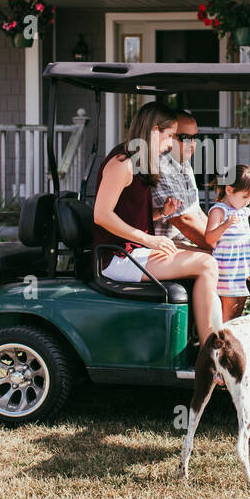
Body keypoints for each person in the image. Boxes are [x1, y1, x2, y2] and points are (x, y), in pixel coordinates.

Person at [92, 102, 221, 343]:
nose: (171, 143)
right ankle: (210, 351)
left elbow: (129, 215)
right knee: (206, 264)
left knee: (208, 254)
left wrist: (161, 212)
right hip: (117, 258)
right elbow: (101, 215)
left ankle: (205, 336)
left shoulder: (139, 162)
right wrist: (149, 239)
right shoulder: (121, 164)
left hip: (136, 252)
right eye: (170, 135)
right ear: (154, 131)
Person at [205, 164, 250, 322]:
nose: (247, 202)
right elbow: (209, 238)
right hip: (229, 272)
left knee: (238, 313)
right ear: (229, 190)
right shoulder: (219, 211)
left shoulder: (242, 211)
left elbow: (245, 236)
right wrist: (225, 225)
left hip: (244, 270)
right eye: (245, 197)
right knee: (228, 315)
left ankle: (231, 343)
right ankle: (222, 343)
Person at [150, 108, 210, 250]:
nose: (192, 143)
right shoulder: (160, 165)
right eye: (185, 138)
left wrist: (221, 237)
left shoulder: (182, 162)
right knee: (216, 262)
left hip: (182, 242)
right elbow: (183, 220)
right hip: (163, 246)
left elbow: (196, 211)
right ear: (168, 136)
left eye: (195, 137)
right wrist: (220, 248)